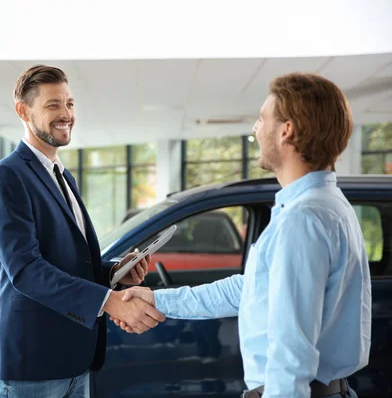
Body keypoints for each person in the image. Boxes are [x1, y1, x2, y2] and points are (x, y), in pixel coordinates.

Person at [112, 73, 371, 398]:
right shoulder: (325, 205)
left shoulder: (303, 219)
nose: (255, 129)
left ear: (286, 131)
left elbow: (291, 353)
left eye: (262, 119)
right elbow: (250, 290)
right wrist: (158, 299)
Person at [0, 64, 166, 398]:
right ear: (23, 111)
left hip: (74, 361)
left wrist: (114, 273)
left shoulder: (64, 178)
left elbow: (67, 262)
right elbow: (26, 271)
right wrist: (108, 301)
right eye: (53, 105)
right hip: (32, 367)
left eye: (69, 104)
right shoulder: (6, 177)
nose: (66, 113)